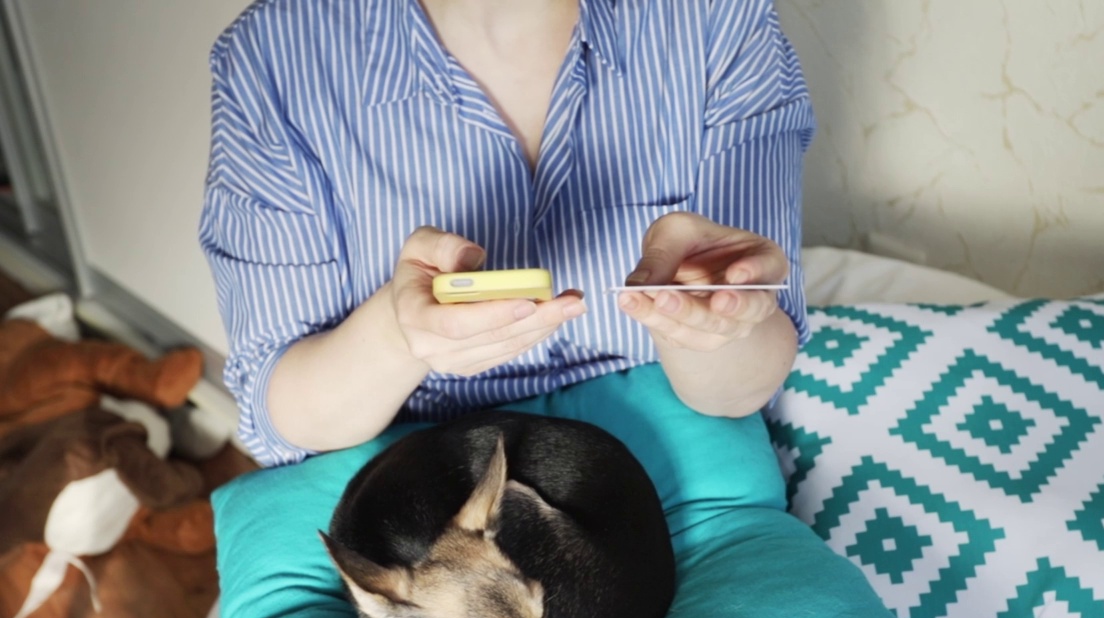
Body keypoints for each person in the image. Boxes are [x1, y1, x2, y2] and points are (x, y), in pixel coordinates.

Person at [199, 0, 816, 467]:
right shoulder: (272, 61)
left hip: (676, 472)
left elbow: (744, 385)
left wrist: (711, 320)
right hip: (414, 484)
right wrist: (397, 335)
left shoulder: (716, 20)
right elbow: (280, 412)